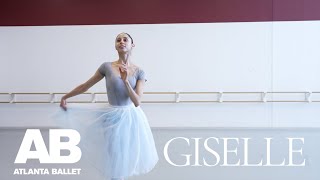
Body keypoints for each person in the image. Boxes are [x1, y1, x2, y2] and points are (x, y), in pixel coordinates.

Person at [58, 33, 158, 180]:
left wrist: (125, 81)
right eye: (118, 40)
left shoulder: (139, 72)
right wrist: (66, 96)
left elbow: (137, 102)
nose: (121, 42)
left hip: (130, 117)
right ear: (115, 45)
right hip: (111, 115)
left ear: (132, 45)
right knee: (113, 153)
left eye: (125, 40)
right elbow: (86, 85)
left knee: (123, 153)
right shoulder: (107, 67)